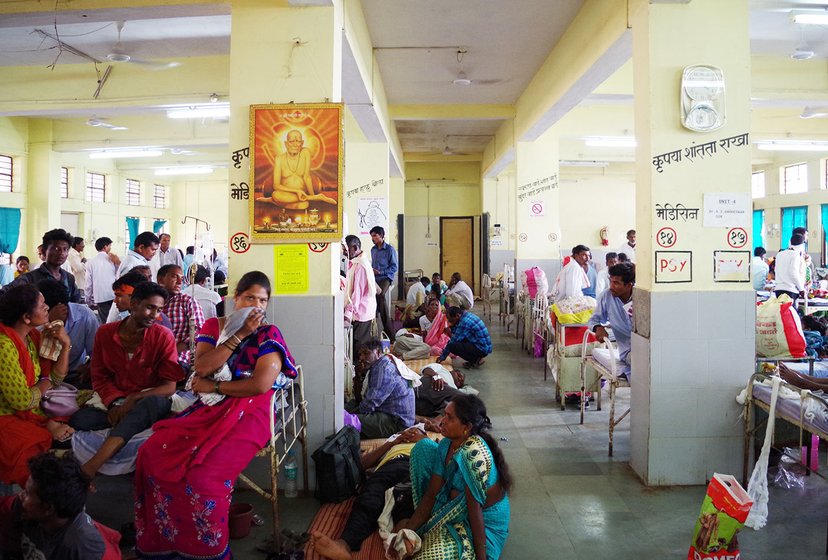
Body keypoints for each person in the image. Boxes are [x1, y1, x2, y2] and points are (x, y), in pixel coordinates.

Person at [134, 271, 298, 560]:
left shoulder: (269, 334)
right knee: (151, 452)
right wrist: (239, 335)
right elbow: (203, 366)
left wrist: (216, 386)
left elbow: (259, 385)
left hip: (251, 411)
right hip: (210, 408)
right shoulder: (214, 326)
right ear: (235, 298)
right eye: (249, 297)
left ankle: (208, 549)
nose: (255, 306)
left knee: (205, 477)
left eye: (262, 300)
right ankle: (167, 542)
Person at [70, 281, 182, 478]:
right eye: (150, 308)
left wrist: (134, 398)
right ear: (134, 304)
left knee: (152, 404)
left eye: (159, 310)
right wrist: (115, 403)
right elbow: (99, 376)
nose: (155, 316)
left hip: (150, 399)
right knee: (80, 419)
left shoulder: (163, 336)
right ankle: (129, 423)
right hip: (117, 399)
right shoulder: (105, 333)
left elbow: (169, 386)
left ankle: (92, 466)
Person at [399, 394, 511, 560]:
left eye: (449, 418)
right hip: (458, 507)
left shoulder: (473, 455)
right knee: (422, 447)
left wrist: (482, 557)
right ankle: (438, 519)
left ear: (466, 427)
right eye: (444, 414)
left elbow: (475, 513)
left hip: (484, 522)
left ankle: (444, 524)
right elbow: (432, 494)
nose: (442, 421)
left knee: (428, 556)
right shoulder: (446, 444)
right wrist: (410, 530)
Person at [310, 427, 429, 560]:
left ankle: (403, 546)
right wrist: (393, 442)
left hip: (413, 466)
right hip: (388, 468)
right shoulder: (393, 444)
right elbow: (362, 464)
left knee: (406, 497)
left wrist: (423, 439)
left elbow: (438, 458)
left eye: (415, 432)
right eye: (407, 432)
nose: (410, 434)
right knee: (369, 497)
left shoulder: (428, 444)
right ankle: (344, 545)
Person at [0, 284, 74, 486]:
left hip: (30, 406)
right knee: (24, 455)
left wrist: (65, 345)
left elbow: (56, 380)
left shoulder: (32, 338)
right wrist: (45, 383)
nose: (47, 308)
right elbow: (22, 400)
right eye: (42, 305)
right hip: (7, 415)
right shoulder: (4, 345)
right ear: (26, 317)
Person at [0, 453, 121, 560]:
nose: (20, 495)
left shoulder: (85, 549)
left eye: (27, 493)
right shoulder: (22, 508)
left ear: (48, 508)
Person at [347, 338, 415, 439]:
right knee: (350, 405)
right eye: (360, 354)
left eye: (366, 353)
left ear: (378, 352)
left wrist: (348, 416)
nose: (361, 357)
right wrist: (358, 376)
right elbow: (359, 399)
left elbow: (370, 403)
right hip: (387, 413)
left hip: (396, 423)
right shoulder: (376, 366)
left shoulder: (383, 369)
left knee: (347, 421)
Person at [36, 280, 97, 390]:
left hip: (76, 375)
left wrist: (89, 367)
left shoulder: (85, 316)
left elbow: (96, 352)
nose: (42, 310)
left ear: (61, 306)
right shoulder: (36, 319)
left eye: (44, 307)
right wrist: (49, 322)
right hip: (44, 377)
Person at [1, 229, 81, 303]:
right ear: (44, 251)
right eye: (56, 248)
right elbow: (4, 295)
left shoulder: (69, 278)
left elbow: (76, 304)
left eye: (65, 249)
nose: (61, 253)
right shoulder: (29, 278)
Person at [264, 129, 335, 209]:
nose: (295, 144)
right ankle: (274, 200)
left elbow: (307, 177)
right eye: (292, 141)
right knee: (276, 194)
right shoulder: (279, 158)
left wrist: (312, 196)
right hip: (287, 194)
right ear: (286, 144)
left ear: (302, 143)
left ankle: (274, 201)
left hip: (303, 194)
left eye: (298, 141)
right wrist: (297, 192)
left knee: (304, 205)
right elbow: (276, 185)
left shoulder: (305, 153)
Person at [588, 262, 635, 380]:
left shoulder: (641, 298)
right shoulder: (607, 296)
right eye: (611, 281)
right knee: (642, 363)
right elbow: (593, 319)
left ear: (629, 286)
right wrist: (598, 327)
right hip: (628, 352)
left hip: (646, 347)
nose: (611, 286)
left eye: (616, 283)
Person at [157, 264, 205, 371]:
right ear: (160, 280)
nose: (179, 282)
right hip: (154, 358)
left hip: (179, 359)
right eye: (174, 277)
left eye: (182, 279)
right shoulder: (154, 304)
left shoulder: (187, 301)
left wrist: (171, 350)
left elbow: (199, 332)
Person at [344, 235, 378, 363]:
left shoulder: (361, 266)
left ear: (354, 247)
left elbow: (356, 294)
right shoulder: (358, 262)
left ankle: (360, 378)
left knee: (360, 349)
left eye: (346, 249)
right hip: (362, 311)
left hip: (362, 313)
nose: (344, 252)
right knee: (359, 347)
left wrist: (348, 313)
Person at [370, 226, 398, 341]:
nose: (373, 238)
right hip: (375, 278)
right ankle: (377, 329)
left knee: (380, 295)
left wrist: (381, 271)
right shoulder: (373, 250)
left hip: (386, 277)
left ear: (381, 236)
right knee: (374, 300)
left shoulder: (390, 250)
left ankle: (389, 331)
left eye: (375, 236)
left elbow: (394, 267)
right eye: (372, 236)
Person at [85, 237, 119, 324]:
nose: (110, 248)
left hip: (100, 296)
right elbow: (119, 274)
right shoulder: (112, 260)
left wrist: (88, 300)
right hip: (113, 294)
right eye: (109, 246)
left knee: (105, 322)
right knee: (115, 320)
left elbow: (88, 283)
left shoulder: (90, 262)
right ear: (105, 247)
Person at [774, 233, 806, 304]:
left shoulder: (780, 254)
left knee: (781, 313)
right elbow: (793, 273)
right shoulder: (795, 255)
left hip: (778, 290)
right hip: (790, 291)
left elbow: (776, 270)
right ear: (802, 246)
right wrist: (801, 289)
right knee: (791, 314)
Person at [65, 237, 87, 303]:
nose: (84, 245)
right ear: (77, 245)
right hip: (78, 284)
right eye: (82, 243)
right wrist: (83, 262)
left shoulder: (77, 254)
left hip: (81, 284)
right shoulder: (71, 254)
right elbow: (78, 268)